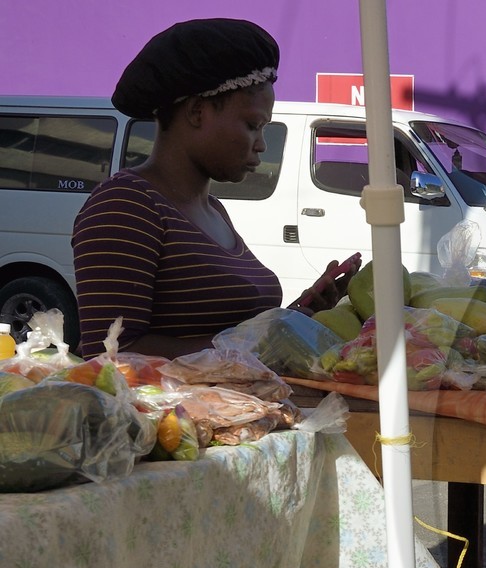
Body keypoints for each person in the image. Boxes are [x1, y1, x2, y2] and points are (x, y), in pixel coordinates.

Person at [72, 18, 355, 358]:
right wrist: (264, 339)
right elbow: (111, 354)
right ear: (196, 112)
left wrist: (298, 314)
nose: (262, 145)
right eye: (253, 125)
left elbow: (231, 334)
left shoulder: (213, 210)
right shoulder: (126, 205)